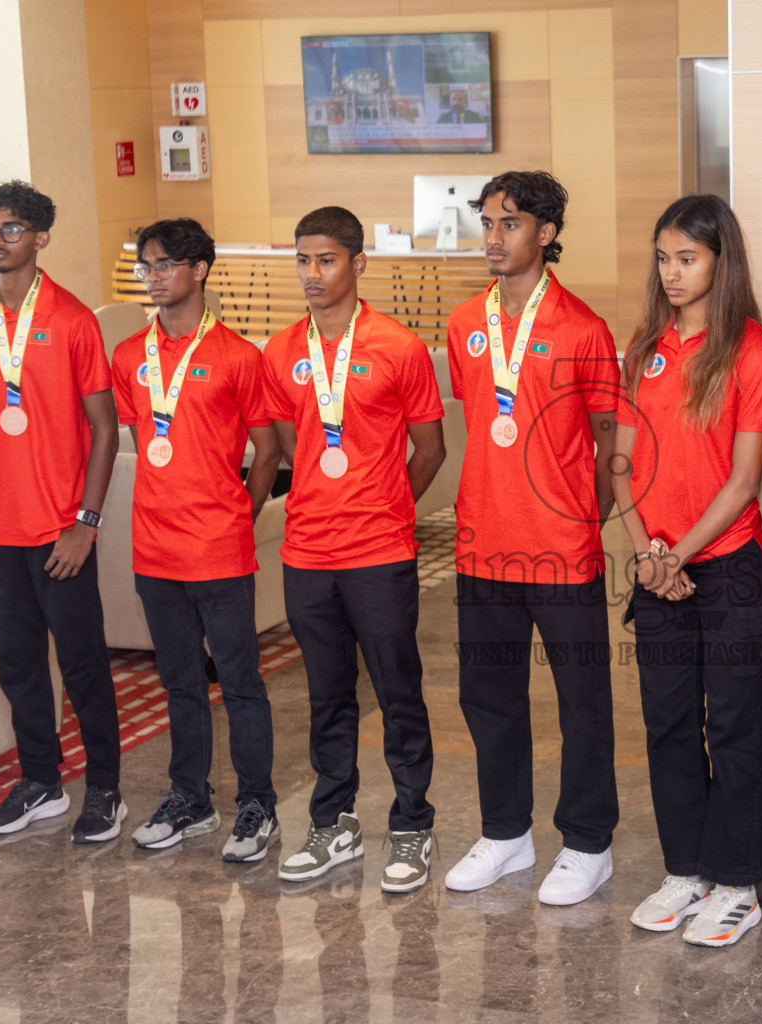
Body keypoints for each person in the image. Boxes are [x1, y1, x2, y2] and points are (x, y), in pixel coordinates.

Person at [441, 171, 622, 905]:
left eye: (509, 224)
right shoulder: (462, 324)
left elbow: (611, 436)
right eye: (486, 223)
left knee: (583, 702)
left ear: (546, 233)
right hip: (483, 542)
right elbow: (481, 416)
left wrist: (588, 515)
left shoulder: (583, 328)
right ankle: (506, 832)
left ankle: (588, 844)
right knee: (490, 698)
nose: (493, 237)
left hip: (562, 547)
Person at [613, 194, 762, 947]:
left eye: (688, 258)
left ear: (722, 260)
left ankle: (738, 881)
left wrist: (677, 554)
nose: (673, 272)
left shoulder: (752, 350)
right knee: (669, 725)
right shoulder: (646, 345)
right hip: (658, 567)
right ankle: (685, 869)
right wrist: (649, 552)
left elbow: (745, 481)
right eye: (664, 258)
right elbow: (620, 464)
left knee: (737, 727)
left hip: (729, 568)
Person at [262, 206, 447, 891]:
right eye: (303, 260)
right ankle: (333, 822)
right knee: (326, 694)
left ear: (358, 263)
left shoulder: (398, 346)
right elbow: (287, 447)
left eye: (327, 260)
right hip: (307, 552)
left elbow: (431, 450)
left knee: (398, 692)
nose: (313, 274)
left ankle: (412, 826)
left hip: (379, 551)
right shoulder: (281, 351)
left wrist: (387, 505)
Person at [0, 180, 124, 842]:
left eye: (11, 228)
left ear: (41, 238)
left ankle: (104, 789)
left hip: (60, 533)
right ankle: (41, 782)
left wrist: (87, 522)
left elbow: (104, 428)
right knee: (17, 664)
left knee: (81, 665)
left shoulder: (74, 320)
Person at [110, 217, 283, 862]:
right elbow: (142, 444)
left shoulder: (239, 356)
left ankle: (256, 803)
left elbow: (268, 450)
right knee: (179, 681)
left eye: (163, 265)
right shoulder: (130, 356)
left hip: (220, 547)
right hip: (154, 550)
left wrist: (240, 509)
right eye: (145, 267)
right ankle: (190, 797)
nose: (151, 278)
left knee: (239, 681)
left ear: (200, 270)